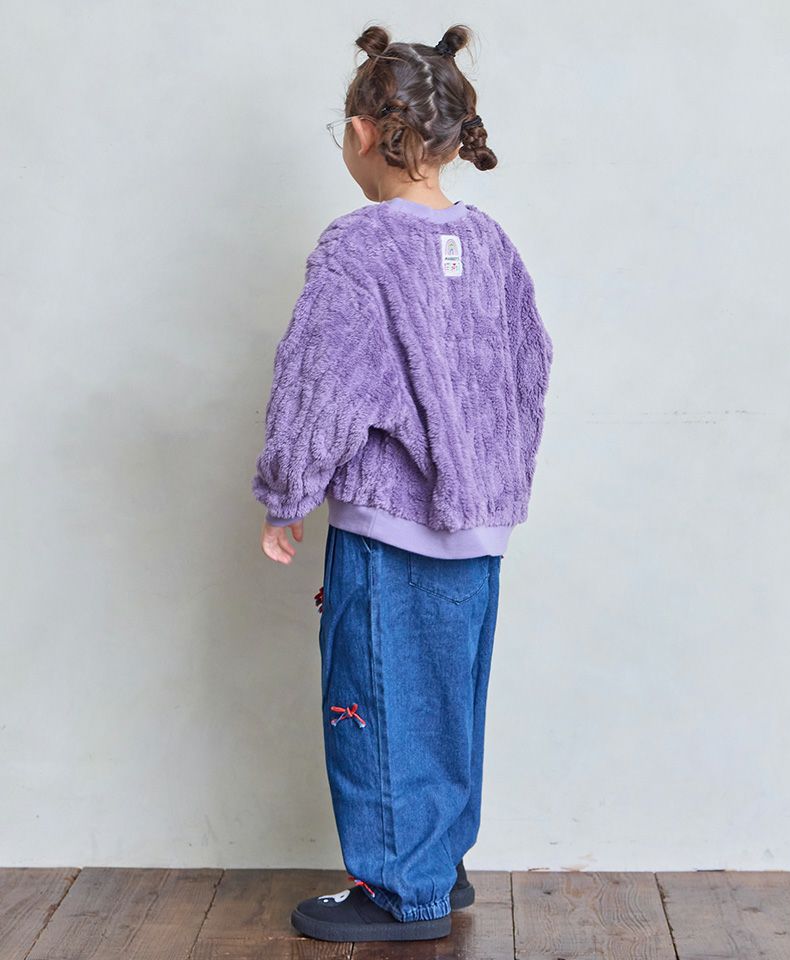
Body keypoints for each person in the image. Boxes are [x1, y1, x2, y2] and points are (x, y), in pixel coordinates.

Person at [251, 23, 554, 944]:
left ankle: (399, 892)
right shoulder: (490, 244)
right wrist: (496, 482)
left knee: (378, 705)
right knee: (447, 704)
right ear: (455, 138)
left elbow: (319, 382)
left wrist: (287, 493)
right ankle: (438, 866)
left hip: (392, 527)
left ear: (360, 134)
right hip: (478, 531)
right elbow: (531, 367)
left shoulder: (360, 249)